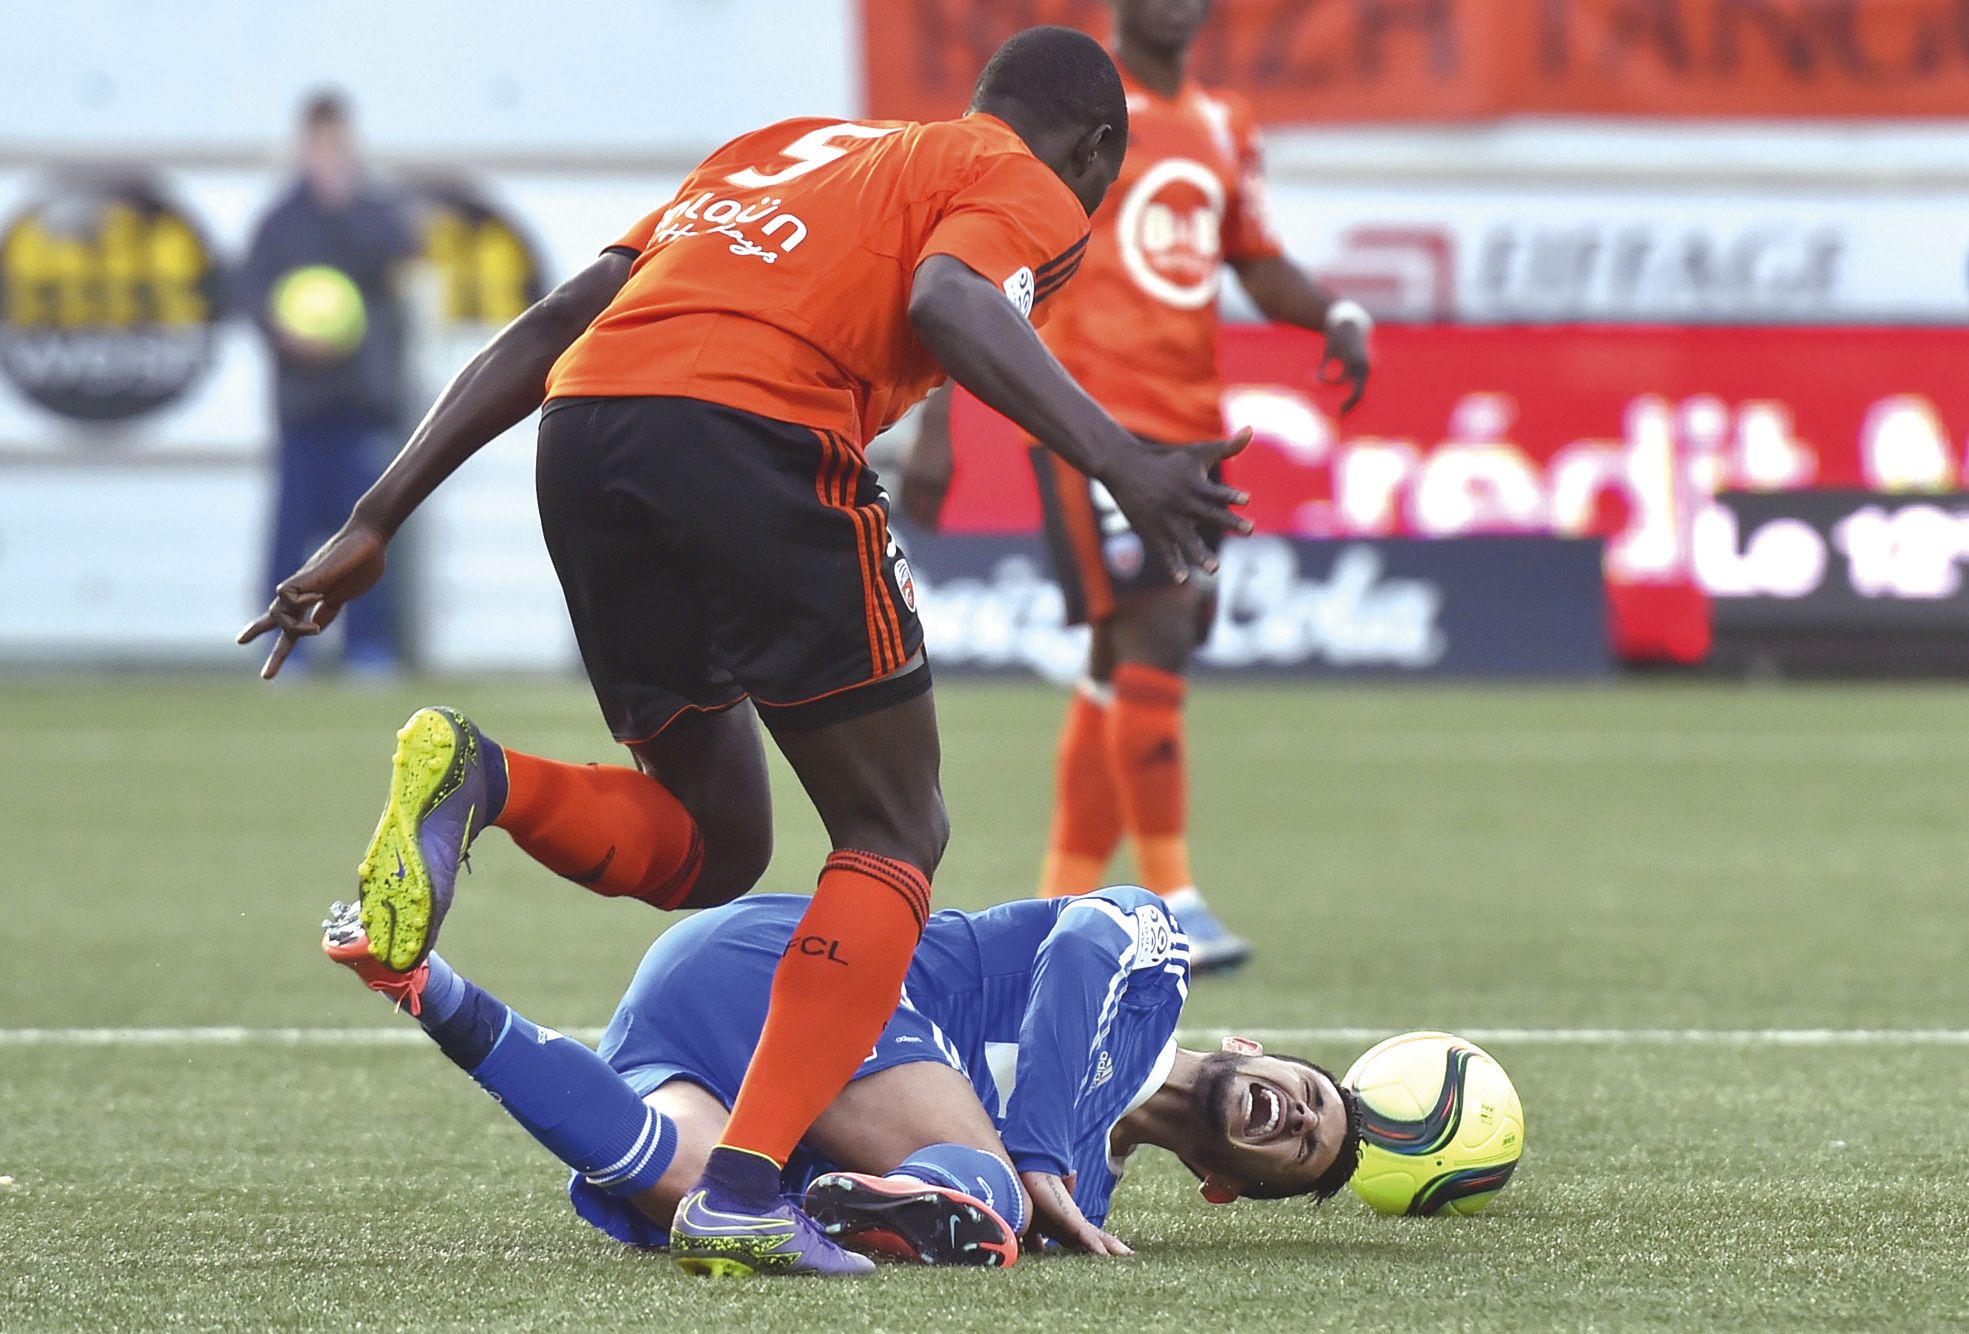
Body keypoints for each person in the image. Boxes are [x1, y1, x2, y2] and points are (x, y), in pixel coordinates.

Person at [240, 27, 1253, 1277]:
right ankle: (740, 1183)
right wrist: (1123, 459)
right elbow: (951, 296)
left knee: (713, 841)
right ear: (1096, 151)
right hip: (757, 431)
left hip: (592, 430)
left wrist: (373, 518)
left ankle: (480, 778)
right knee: (894, 829)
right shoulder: (1031, 184)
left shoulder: (778, 152)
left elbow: (563, 315)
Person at [902, 0, 1373, 972]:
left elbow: (1251, 255)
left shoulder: (1222, 122)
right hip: (1095, 419)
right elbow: (972, 267)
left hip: (1191, 414)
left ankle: (1055, 906)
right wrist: (937, 420)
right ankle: (1173, 897)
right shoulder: (1071, 112)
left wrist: (1334, 312)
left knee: (1131, 653)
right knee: (1156, 626)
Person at [320, 882, 1363, 1267]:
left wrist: (1051, 1178)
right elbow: (1083, 941)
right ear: (1247, 1046)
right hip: (810, 962)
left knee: (684, 1178)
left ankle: (424, 983)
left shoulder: (1086, 1199)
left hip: (710, 1042)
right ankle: (871, 1195)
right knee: (992, 1187)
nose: (1292, 1116)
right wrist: (1036, 1153)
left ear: (1231, 1186)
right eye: (1308, 1092)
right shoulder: (1156, 963)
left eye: (1298, 1148)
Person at [240, 91, 420, 675]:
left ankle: (369, 649)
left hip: (364, 405)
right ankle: (283, 647)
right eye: (318, 146)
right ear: (303, 147)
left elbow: (401, 264)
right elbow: (251, 296)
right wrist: (288, 336)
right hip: (303, 407)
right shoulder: (280, 220)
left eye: (337, 145)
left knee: (365, 538)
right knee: (291, 534)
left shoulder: (376, 212)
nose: (328, 156)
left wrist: (344, 205)